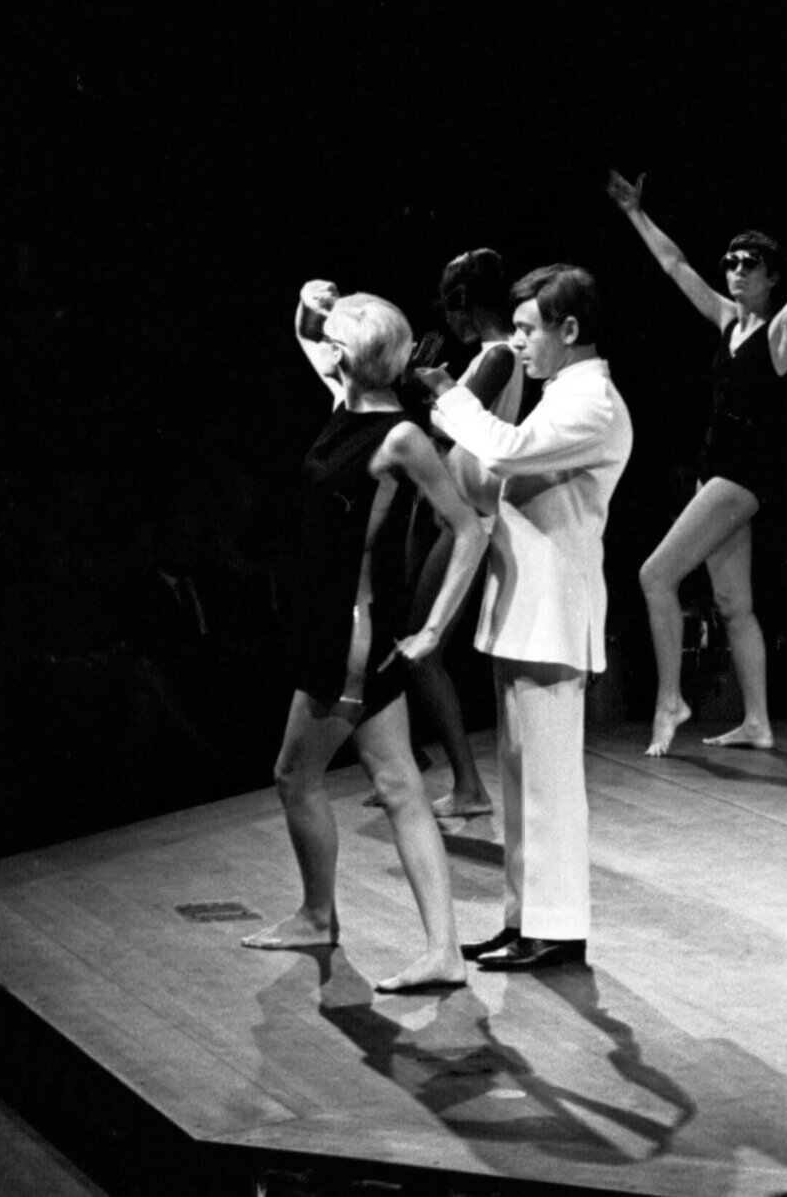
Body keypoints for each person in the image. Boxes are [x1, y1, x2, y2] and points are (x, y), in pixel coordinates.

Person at [240, 282, 489, 994]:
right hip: (336, 623)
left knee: (295, 775)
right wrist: (303, 300)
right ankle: (440, 949)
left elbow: (471, 528)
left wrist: (434, 630)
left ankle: (321, 915)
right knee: (399, 784)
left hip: (350, 632)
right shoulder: (345, 402)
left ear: (353, 356)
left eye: (336, 340)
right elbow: (306, 337)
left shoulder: (400, 436)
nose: (326, 347)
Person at [416, 264, 635, 972]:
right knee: (519, 779)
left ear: (569, 331)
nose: (518, 343)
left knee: (550, 786)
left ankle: (559, 928)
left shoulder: (591, 402)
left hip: (553, 610)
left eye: (527, 329)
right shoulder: (560, 395)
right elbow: (495, 474)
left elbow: (504, 452)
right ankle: (525, 921)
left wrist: (452, 399)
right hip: (525, 607)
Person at [606, 169, 787, 755]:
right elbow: (675, 267)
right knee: (733, 604)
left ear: (771, 277)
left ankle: (671, 701)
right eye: (732, 262)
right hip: (715, 470)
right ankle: (758, 722)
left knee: (654, 575)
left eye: (749, 264)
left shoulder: (777, 335)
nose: (736, 270)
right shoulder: (726, 322)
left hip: (743, 476)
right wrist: (636, 214)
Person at [400, 247, 521, 817]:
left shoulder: (498, 356)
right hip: (453, 509)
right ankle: (412, 765)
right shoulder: (483, 358)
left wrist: (432, 390)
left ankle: (469, 785)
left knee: (424, 651)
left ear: (465, 302)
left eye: (449, 303)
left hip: (471, 515)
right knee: (413, 641)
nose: (445, 317)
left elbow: (455, 421)